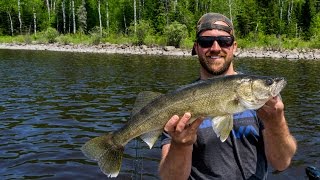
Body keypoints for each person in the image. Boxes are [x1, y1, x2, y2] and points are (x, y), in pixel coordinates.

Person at [158, 13, 297, 180]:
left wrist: (276, 122)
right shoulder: (177, 102)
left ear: (234, 46)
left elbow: (281, 163)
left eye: (224, 41)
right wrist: (180, 145)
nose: (215, 48)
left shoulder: (267, 104)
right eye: (206, 42)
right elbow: (170, 178)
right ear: (196, 47)